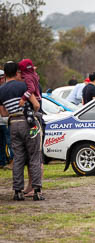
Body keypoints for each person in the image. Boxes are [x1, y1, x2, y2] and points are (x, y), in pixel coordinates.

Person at [0, 61, 43, 201]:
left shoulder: (1, 90)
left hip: (13, 124)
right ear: (18, 72)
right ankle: (37, 190)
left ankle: (17, 191)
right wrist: (32, 111)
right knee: (34, 156)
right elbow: (36, 104)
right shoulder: (24, 85)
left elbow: (3, 113)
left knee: (18, 157)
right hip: (29, 124)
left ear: (5, 74)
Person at [0, 69, 14, 170]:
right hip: (2, 121)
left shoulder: (6, 89)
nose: (2, 80)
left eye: (2, 78)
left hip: (6, 121)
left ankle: (13, 162)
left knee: (9, 142)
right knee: (2, 143)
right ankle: (2, 162)